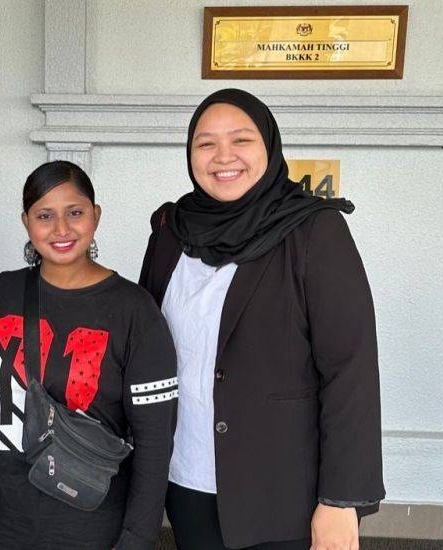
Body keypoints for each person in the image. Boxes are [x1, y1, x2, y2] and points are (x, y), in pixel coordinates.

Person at [138, 88, 385, 550]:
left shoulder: (314, 231)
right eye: (205, 143)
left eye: (241, 140)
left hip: (281, 495)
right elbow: (144, 349)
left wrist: (341, 500)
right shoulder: (172, 231)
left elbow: (350, 369)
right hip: (187, 478)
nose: (222, 156)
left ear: (268, 147)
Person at [0, 161, 177, 550]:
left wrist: (137, 539)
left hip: (93, 527)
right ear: (26, 222)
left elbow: (155, 446)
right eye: (44, 215)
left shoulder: (135, 312)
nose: (61, 230)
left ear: (96, 215)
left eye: (75, 212)